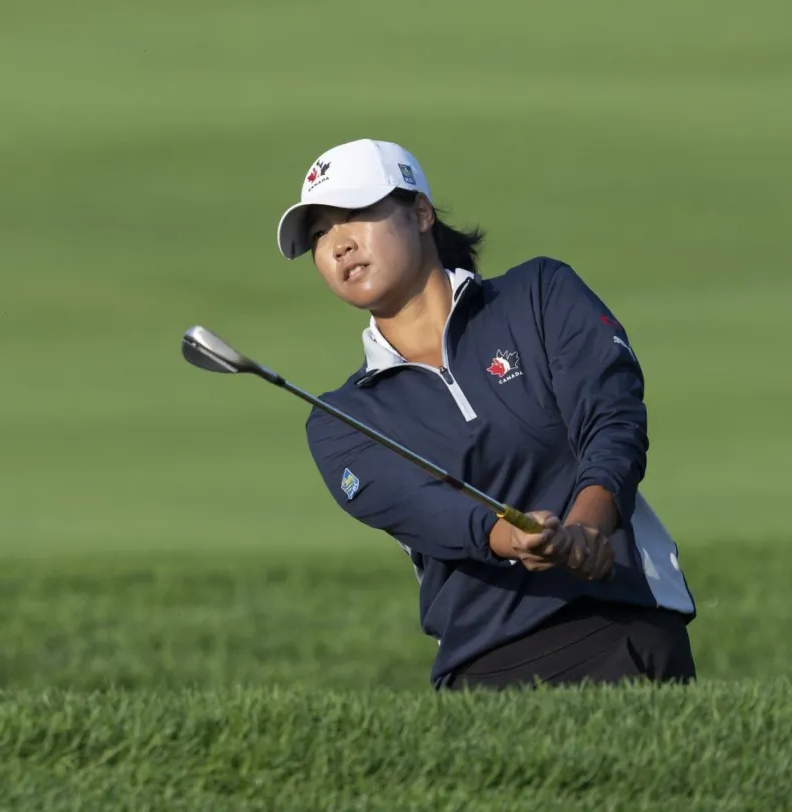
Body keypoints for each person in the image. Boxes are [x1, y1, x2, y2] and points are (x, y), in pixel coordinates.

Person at [276, 138, 697, 691]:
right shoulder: (341, 419)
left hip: (625, 620)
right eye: (319, 235)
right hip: (484, 667)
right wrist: (510, 537)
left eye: (355, 214)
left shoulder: (539, 295)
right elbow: (426, 510)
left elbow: (613, 418)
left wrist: (589, 526)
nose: (338, 245)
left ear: (421, 212)